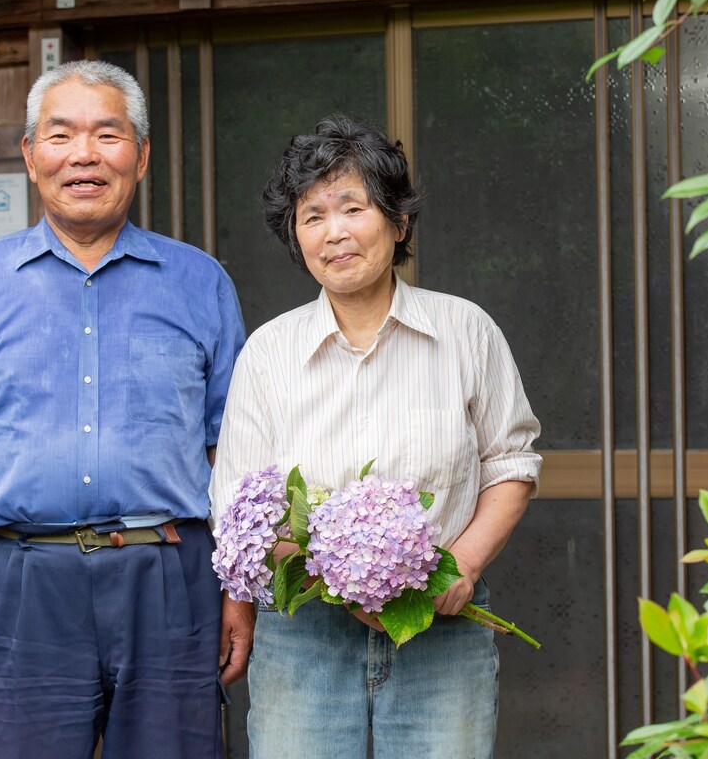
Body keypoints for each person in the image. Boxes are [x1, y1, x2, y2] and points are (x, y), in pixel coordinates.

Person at [0, 60, 252, 759]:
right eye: (61, 135)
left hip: (171, 580)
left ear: (140, 157)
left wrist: (238, 593)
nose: (84, 155)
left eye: (107, 135)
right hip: (20, 583)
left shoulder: (200, 283)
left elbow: (232, 452)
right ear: (30, 156)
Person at [209, 114, 542, 758]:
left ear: (398, 221)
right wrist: (330, 577)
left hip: (439, 631)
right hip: (304, 637)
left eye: (352, 207)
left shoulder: (466, 331)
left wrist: (463, 565)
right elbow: (239, 502)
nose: (333, 233)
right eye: (311, 216)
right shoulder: (268, 353)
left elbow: (511, 463)